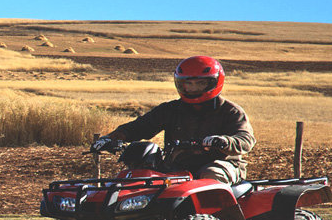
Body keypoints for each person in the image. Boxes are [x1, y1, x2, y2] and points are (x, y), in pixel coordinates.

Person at [91, 56, 255, 184]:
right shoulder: (170, 109)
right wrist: (110, 138)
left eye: (200, 83)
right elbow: (139, 126)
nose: (192, 88)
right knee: (142, 177)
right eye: (188, 83)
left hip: (220, 164)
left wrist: (223, 141)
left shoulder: (230, 111)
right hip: (177, 165)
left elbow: (246, 139)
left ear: (214, 82)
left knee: (211, 176)